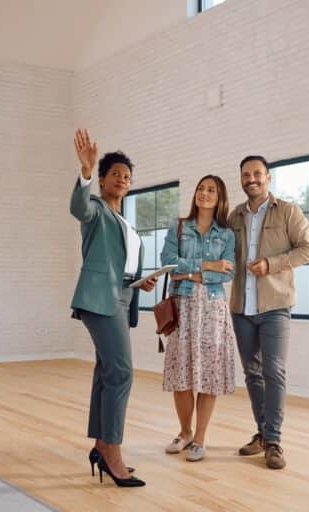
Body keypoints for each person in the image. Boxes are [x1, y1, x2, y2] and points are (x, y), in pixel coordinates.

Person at [70, 128, 157, 487]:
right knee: (122, 373)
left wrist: (141, 282)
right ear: (103, 179)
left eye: (127, 176)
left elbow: (123, 268)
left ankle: (101, 444)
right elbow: (77, 207)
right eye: (115, 174)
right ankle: (114, 453)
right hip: (99, 299)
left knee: (107, 372)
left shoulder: (126, 223)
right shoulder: (94, 210)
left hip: (122, 296)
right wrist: (85, 172)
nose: (122, 179)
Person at [228, 155, 309, 470]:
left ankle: (274, 441)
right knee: (252, 374)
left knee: (273, 372)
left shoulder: (288, 211)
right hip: (241, 308)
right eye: (245, 174)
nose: (250, 178)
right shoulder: (234, 217)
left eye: (256, 173)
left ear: (268, 178)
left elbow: (308, 248)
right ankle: (263, 434)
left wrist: (271, 264)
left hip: (276, 305)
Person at [159, 175, 236, 462]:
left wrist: (188, 271)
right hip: (183, 306)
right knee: (182, 375)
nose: (204, 193)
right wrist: (207, 265)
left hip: (213, 309)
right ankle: (184, 431)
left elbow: (228, 273)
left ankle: (200, 437)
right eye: (201, 189)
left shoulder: (227, 235)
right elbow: (168, 262)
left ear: (220, 197)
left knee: (209, 375)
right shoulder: (178, 227)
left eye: (211, 190)